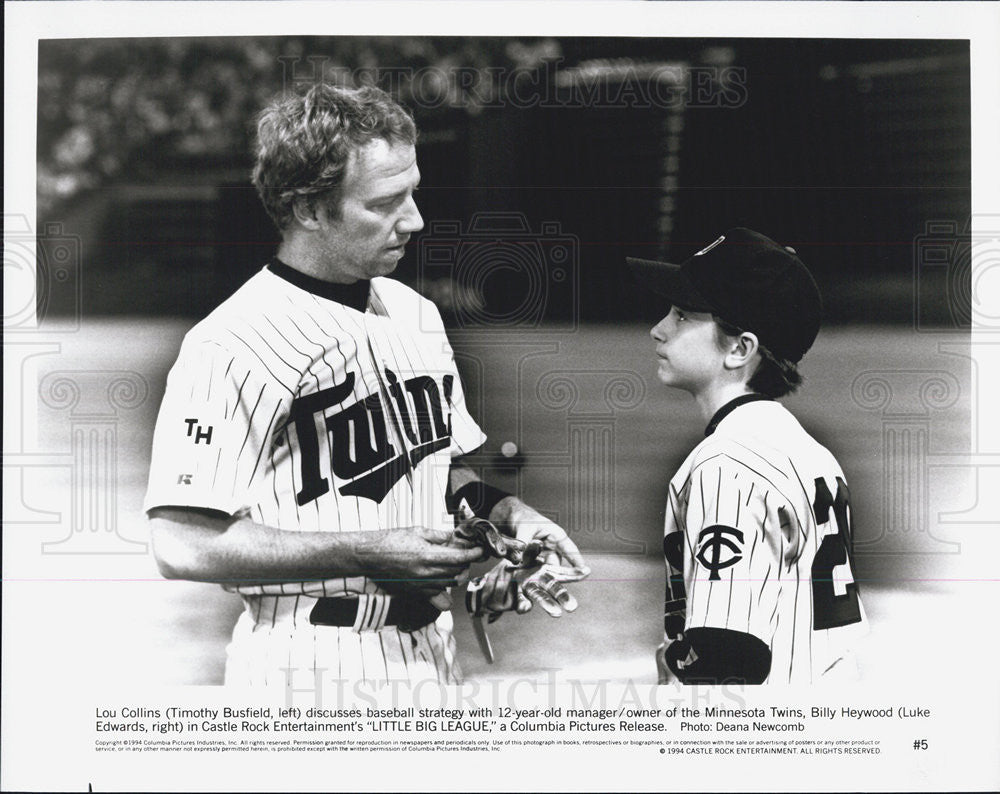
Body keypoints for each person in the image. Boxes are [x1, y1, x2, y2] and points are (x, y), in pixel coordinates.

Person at [144, 83, 589, 688]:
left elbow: (435, 468)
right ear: (308, 208)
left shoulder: (415, 314)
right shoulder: (233, 342)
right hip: (307, 666)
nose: (415, 219)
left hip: (431, 657)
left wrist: (503, 513)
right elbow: (182, 543)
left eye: (413, 192)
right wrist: (367, 550)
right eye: (384, 203)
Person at [628, 228, 868, 685]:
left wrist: (673, 662)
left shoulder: (726, 465)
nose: (658, 329)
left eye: (681, 316)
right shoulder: (811, 454)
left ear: (740, 349)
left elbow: (729, 656)